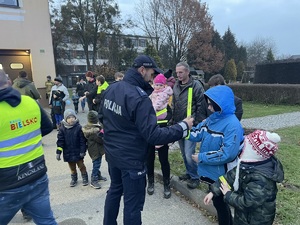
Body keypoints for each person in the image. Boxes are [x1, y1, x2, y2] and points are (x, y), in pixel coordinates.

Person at [100, 54, 194, 225]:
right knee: (132, 205)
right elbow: (153, 135)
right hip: (132, 160)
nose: (152, 79)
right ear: (142, 70)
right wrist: (182, 127)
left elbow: (103, 118)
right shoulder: (139, 98)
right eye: (151, 74)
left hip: (113, 155)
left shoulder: (111, 89)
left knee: (114, 190)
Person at [0, 69, 57, 225]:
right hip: (37, 173)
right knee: (46, 220)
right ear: (10, 82)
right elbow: (46, 127)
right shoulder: (30, 102)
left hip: (7, 184)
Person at [189, 85, 244, 225]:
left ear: (221, 105)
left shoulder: (233, 125)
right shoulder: (213, 118)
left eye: (211, 104)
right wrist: (182, 129)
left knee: (221, 205)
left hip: (223, 174)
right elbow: (197, 133)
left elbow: (227, 154)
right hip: (211, 172)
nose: (209, 108)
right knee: (218, 203)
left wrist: (201, 157)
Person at [204, 130, 284, 225]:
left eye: (246, 146)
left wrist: (228, 194)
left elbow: (247, 203)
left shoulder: (261, 179)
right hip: (243, 217)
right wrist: (213, 191)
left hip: (256, 220)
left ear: (255, 152)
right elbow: (229, 177)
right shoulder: (249, 164)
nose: (243, 149)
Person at [172, 61, 207, 189]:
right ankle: (189, 172)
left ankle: (195, 177)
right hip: (179, 125)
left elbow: (201, 106)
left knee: (188, 153)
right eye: (177, 73)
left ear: (187, 72)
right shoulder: (176, 86)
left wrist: (196, 123)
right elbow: (174, 105)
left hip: (191, 126)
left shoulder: (196, 86)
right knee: (183, 152)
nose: (178, 75)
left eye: (181, 72)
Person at [147, 73, 174, 199]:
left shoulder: (167, 95)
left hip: (162, 130)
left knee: (164, 159)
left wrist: (167, 120)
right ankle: (150, 182)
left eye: (159, 85)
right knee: (149, 158)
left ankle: (166, 184)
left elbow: (170, 113)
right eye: (155, 84)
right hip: (149, 130)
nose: (157, 87)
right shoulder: (149, 95)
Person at [56, 109, 88, 187]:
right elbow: (60, 141)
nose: (71, 119)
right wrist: (58, 152)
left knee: (81, 166)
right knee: (72, 167)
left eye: (73, 117)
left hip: (78, 152)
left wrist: (82, 151)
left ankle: (85, 177)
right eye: (69, 117)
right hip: (68, 152)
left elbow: (82, 141)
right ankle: (74, 178)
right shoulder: (62, 129)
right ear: (66, 119)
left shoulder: (78, 127)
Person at [82, 110, 107, 189]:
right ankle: (94, 180)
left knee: (97, 163)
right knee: (96, 164)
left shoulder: (90, 127)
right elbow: (100, 140)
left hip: (93, 150)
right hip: (95, 150)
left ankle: (98, 176)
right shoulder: (94, 131)